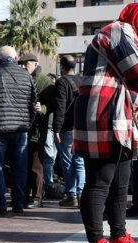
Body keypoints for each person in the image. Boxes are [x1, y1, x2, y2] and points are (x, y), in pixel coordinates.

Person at [73, 2, 138, 243]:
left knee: (121, 180)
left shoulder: (128, 36)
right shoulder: (119, 30)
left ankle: (118, 235)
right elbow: (137, 70)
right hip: (103, 112)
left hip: (117, 113)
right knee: (100, 180)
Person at [0, 46, 36, 215]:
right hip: (20, 129)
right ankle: (18, 203)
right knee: (20, 168)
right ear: (16, 57)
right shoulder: (27, 76)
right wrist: (28, 124)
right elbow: (34, 104)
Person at [19, 53, 54, 209]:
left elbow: (54, 104)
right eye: (21, 64)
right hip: (21, 129)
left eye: (25, 64)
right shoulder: (22, 78)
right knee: (23, 166)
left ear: (34, 64)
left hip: (37, 131)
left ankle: (37, 197)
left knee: (36, 166)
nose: (22, 67)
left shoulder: (45, 81)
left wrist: (44, 108)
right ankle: (25, 195)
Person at [52, 55, 85, 208]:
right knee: (79, 161)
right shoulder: (82, 80)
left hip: (66, 128)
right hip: (81, 127)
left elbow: (60, 107)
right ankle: (82, 194)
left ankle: (72, 195)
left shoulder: (61, 82)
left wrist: (56, 129)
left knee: (67, 161)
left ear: (62, 67)